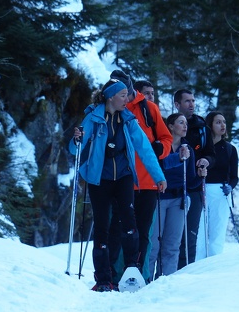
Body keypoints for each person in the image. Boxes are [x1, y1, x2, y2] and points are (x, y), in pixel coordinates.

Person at [69, 79, 167, 292]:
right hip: (99, 179)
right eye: (123, 95)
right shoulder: (93, 118)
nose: (127, 99)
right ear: (110, 97)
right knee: (102, 227)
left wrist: (158, 176)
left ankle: (132, 269)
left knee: (129, 222)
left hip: (123, 177)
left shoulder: (129, 120)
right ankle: (103, 278)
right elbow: (75, 149)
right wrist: (76, 139)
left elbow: (145, 149)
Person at [107, 70, 173, 282]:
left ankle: (138, 276)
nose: (123, 95)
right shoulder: (113, 107)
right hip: (120, 180)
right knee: (117, 230)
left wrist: (157, 150)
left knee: (143, 233)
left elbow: (166, 139)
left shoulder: (149, 109)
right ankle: (115, 276)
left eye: (124, 91)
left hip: (147, 183)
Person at [148, 113, 207, 279]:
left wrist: (200, 176)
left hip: (178, 199)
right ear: (171, 126)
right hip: (158, 197)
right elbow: (156, 168)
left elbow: (189, 181)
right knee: (153, 244)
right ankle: (147, 279)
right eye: (181, 123)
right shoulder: (160, 146)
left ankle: (165, 279)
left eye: (186, 123)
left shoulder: (187, 149)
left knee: (172, 244)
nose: (185, 126)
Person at [173, 89, 216, 269]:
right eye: (187, 101)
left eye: (193, 101)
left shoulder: (202, 128)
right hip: (173, 188)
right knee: (171, 236)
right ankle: (165, 273)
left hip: (195, 187)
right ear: (177, 104)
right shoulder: (170, 125)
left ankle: (185, 272)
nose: (191, 105)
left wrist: (206, 160)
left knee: (190, 234)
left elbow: (211, 155)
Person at [196, 111, 239, 258]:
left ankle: (214, 261)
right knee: (200, 230)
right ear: (210, 125)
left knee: (217, 231)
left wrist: (230, 187)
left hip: (221, 192)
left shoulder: (229, 149)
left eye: (224, 122)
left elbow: (234, 176)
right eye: (218, 122)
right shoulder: (202, 147)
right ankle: (197, 264)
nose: (222, 125)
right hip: (201, 189)